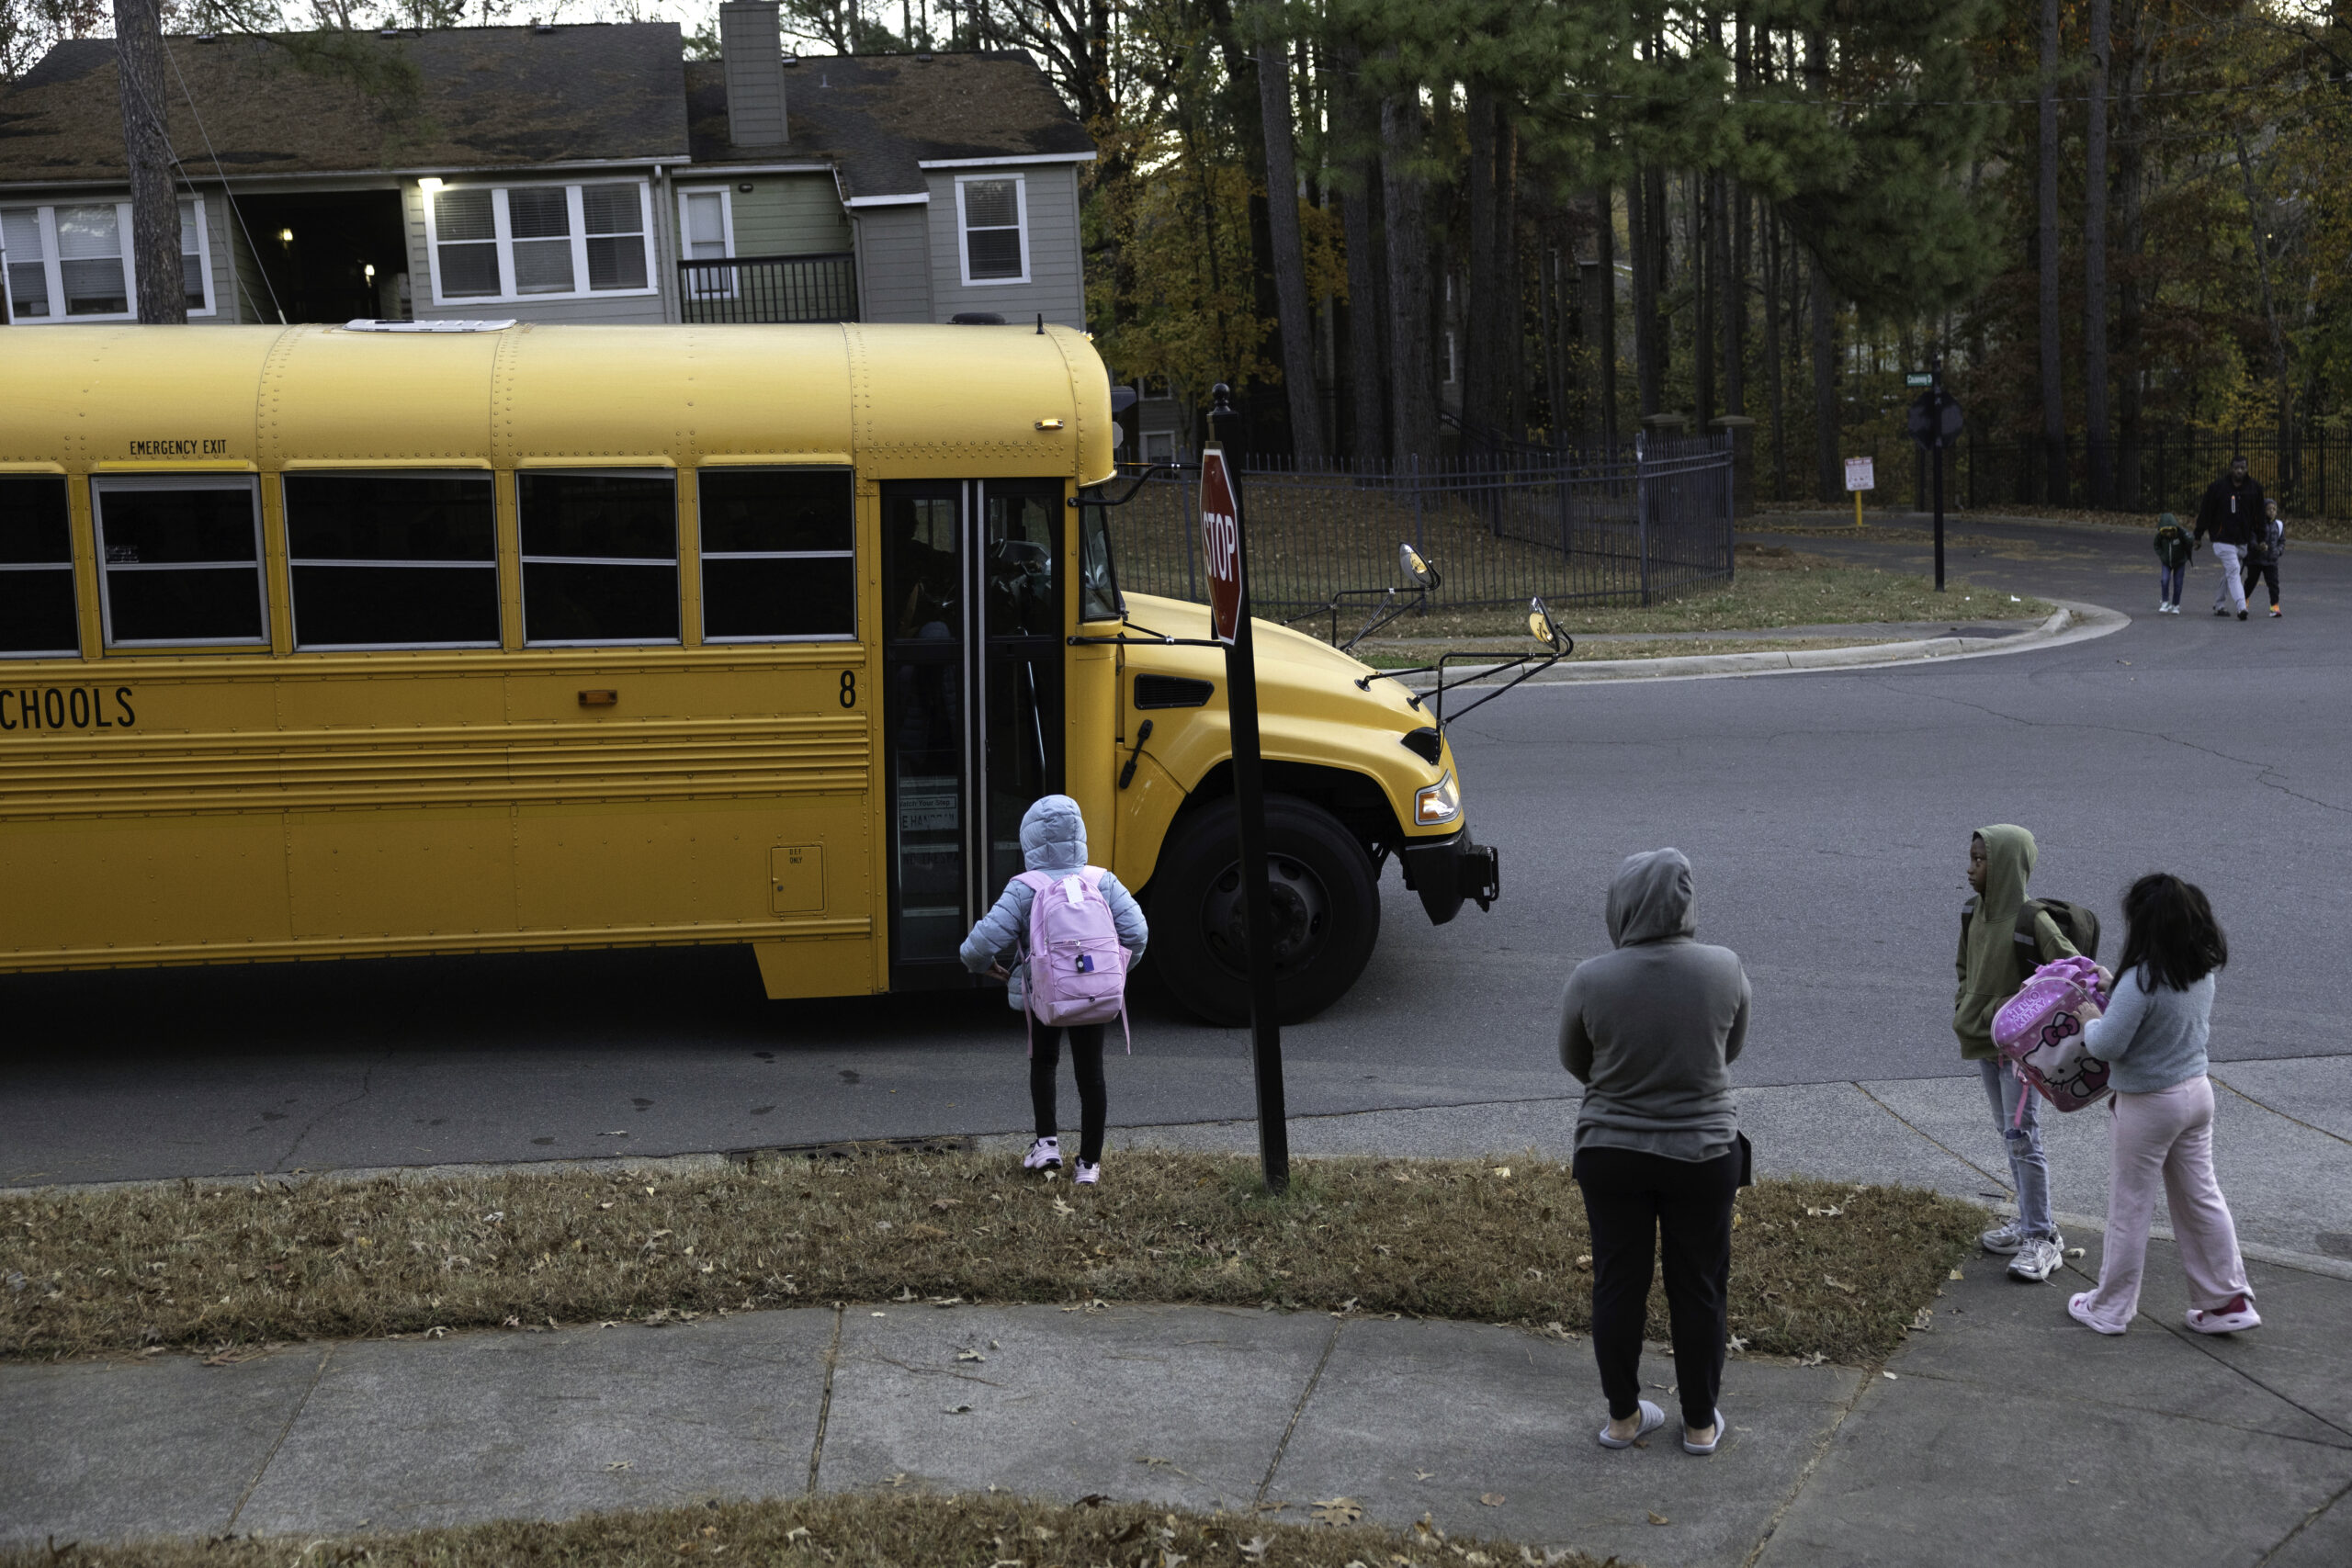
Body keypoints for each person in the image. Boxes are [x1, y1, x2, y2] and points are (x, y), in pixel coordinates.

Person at [1559, 848, 1750, 1457]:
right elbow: (1730, 1048)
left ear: (1623, 904)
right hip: (1703, 1153)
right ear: (1686, 901)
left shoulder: (1592, 977)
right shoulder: (1724, 967)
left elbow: (1576, 1060)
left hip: (1612, 1152)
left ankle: (1621, 1418)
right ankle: (1698, 1424)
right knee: (1698, 1285)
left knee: (1618, 1282)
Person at [2068, 874, 2258, 1336]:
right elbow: (2154, 1015)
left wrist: (2089, 1019)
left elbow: (2108, 1044)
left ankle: (2110, 1309)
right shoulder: (2199, 969)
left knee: (2130, 1207)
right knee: (2202, 1197)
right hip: (2196, 1094)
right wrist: (2117, 997)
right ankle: (2228, 1300)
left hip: (2149, 1105)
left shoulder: (2142, 979)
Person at [959, 795, 1147, 1186]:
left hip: (1045, 994)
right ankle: (1089, 1166)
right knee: (1091, 1074)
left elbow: (979, 945)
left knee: (1043, 1062)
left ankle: (1046, 1144)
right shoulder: (1101, 880)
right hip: (1094, 994)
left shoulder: (1025, 888)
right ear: (1079, 834)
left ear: (1029, 840)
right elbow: (1138, 934)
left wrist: (984, 968)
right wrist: (1113, 973)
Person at [1955, 826, 2080, 1282]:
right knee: (2010, 1134)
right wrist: (1966, 1007)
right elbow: (1964, 968)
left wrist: (2025, 1016)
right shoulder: (1973, 912)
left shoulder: (2033, 920)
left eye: (1980, 860)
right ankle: (2030, 1219)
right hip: (1985, 1042)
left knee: (2023, 1138)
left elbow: (2070, 971)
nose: (1970, 868)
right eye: (1970, 858)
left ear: (2005, 864)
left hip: (2020, 1054)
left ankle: (2043, 1238)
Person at [2192, 455, 2265, 620]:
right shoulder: (2218, 488)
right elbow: (2206, 512)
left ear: (2247, 469)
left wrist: (2261, 538)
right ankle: (2241, 606)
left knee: (2230, 572)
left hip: (2242, 539)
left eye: (2242, 468)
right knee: (2234, 569)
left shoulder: (2254, 489)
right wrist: (2198, 535)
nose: (2239, 471)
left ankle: (2219, 604)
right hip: (2222, 538)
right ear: (2231, 469)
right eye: (2236, 468)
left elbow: (2259, 516)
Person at [2240, 499, 2284, 618]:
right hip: (2256, 560)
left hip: (2271, 560)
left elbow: (2281, 541)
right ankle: (2244, 601)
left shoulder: (2278, 525)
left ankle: (2274, 606)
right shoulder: (2256, 524)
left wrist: (2279, 551)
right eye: (2269, 509)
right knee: (2251, 582)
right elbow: (2252, 539)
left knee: (2274, 584)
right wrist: (2258, 547)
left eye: (2274, 509)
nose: (2272, 511)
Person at [2152, 513, 2194, 615]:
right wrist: (2162, 555)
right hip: (2166, 562)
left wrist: (2185, 535)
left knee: (2178, 584)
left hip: (2179, 563)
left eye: (2170, 531)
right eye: (2165, 532)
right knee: (2164, 580)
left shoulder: (2181, 534)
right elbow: (2156, 545)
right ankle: (2165, 602)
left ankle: (2176, 604)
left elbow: (2190, 542)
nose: (2168, 534)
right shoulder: (2160, 537)